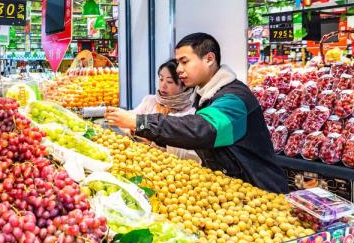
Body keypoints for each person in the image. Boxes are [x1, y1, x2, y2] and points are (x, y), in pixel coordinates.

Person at [106, 33, 288, 193]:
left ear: (209, 59)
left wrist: (140, 122)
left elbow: (202, 129)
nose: (178, 69)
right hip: (234, 189)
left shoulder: (234, 99)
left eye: (185, 62)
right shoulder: (205, 96)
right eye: (178, 63)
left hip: (260, 191)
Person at [127, 59, 200, 163]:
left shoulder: (191, 112)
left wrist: (149, 133)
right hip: (141, 161)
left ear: (184, 84)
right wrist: (132, 129)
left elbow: (186, 151)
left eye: (169, 82)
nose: (163, 85)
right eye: (161, 79)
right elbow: (129, 118)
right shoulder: (150, 102)